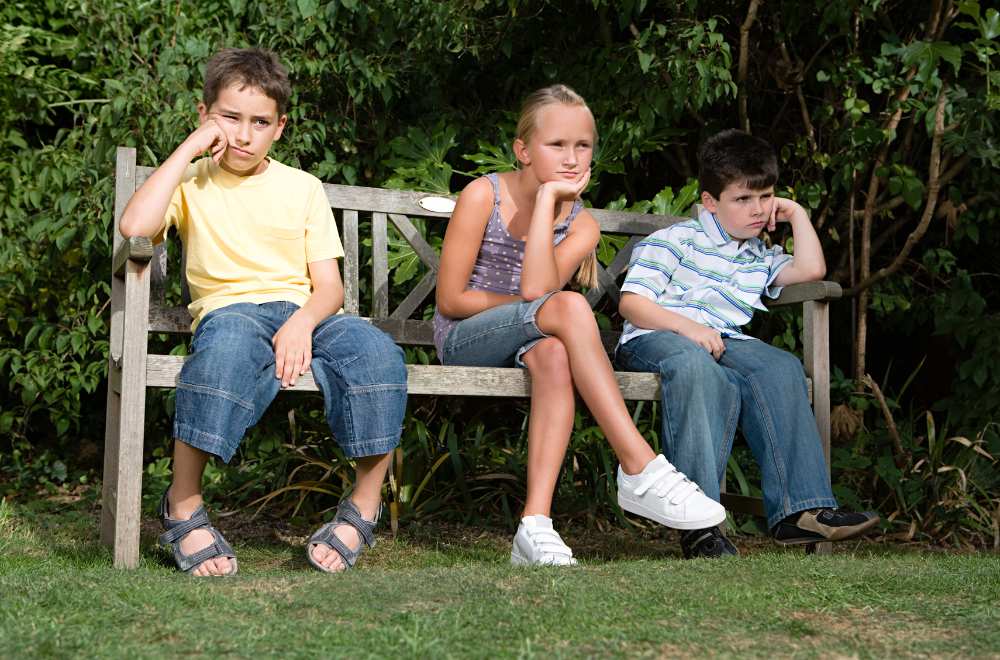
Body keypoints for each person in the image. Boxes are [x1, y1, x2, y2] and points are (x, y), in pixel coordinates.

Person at [119, 48, 408, 575]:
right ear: (205, 115)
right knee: (224, 353)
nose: (244, 134)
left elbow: (329, 288)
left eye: (260, 122)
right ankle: (182, 504)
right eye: (230, 117)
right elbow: (135, 227)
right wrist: (190, 149)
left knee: (377, 353)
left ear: (280, 128)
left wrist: (300, 323)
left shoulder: (302, 187)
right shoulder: (190, 181)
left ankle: (362, 507)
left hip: (309, 314)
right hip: (233, 312)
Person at [434, 84, 725, 566]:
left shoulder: (582, 223)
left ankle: (534, 526)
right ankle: (639, 465)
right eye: (557, 145)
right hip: (470, 337)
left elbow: (538, 291)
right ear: (523, 150)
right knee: (566, 308)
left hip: (536, 338)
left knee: (554, 350)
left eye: (583, 146)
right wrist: (538, 309)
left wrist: (549, 205)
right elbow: (453, 299)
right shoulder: (483, 194)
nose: (572, 158)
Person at [615, 128, 879, 558]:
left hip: (724, 342)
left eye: (766, 197)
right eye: (742, 199)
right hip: (658, 337)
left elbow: (811, 270)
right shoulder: (675, 241)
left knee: (780, 367)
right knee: (697, 368)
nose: (758, 210)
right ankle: (700, 525)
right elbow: (632, 303)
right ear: (709, 201)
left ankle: (801, 513)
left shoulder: (757, 255)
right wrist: (687, 328)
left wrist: (795, 215)